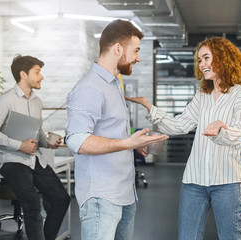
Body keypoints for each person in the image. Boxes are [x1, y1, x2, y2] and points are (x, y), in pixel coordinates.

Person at [126, 36, 241, 240]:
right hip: (194, 182)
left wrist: (220, 131)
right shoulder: (202, 96)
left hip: (228, 182)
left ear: (222, 58)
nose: (202, 64)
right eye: (199, 60)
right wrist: (148, 106)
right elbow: (180, 125)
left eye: (206, 58)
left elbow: (239, 133)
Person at [65, 19, 168, 240]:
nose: (138, 58)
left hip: (124, 193)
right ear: (118, 48)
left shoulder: (112, 85)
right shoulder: (90, 88)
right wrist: (127, 144)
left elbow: (110, 135)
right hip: (102, 197)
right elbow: (77, 141)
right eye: (136, 50)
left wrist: (134, 145)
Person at [0, 55, 70, 240]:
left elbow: (36, 133)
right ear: (23, 74)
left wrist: (47, 142)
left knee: (61, 199)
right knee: (32, 205)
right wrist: (19, 145)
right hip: (12, 160)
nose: (42, 77)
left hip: (34, 158)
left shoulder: (37, 102)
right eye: (37, 72)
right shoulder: (6, 99)